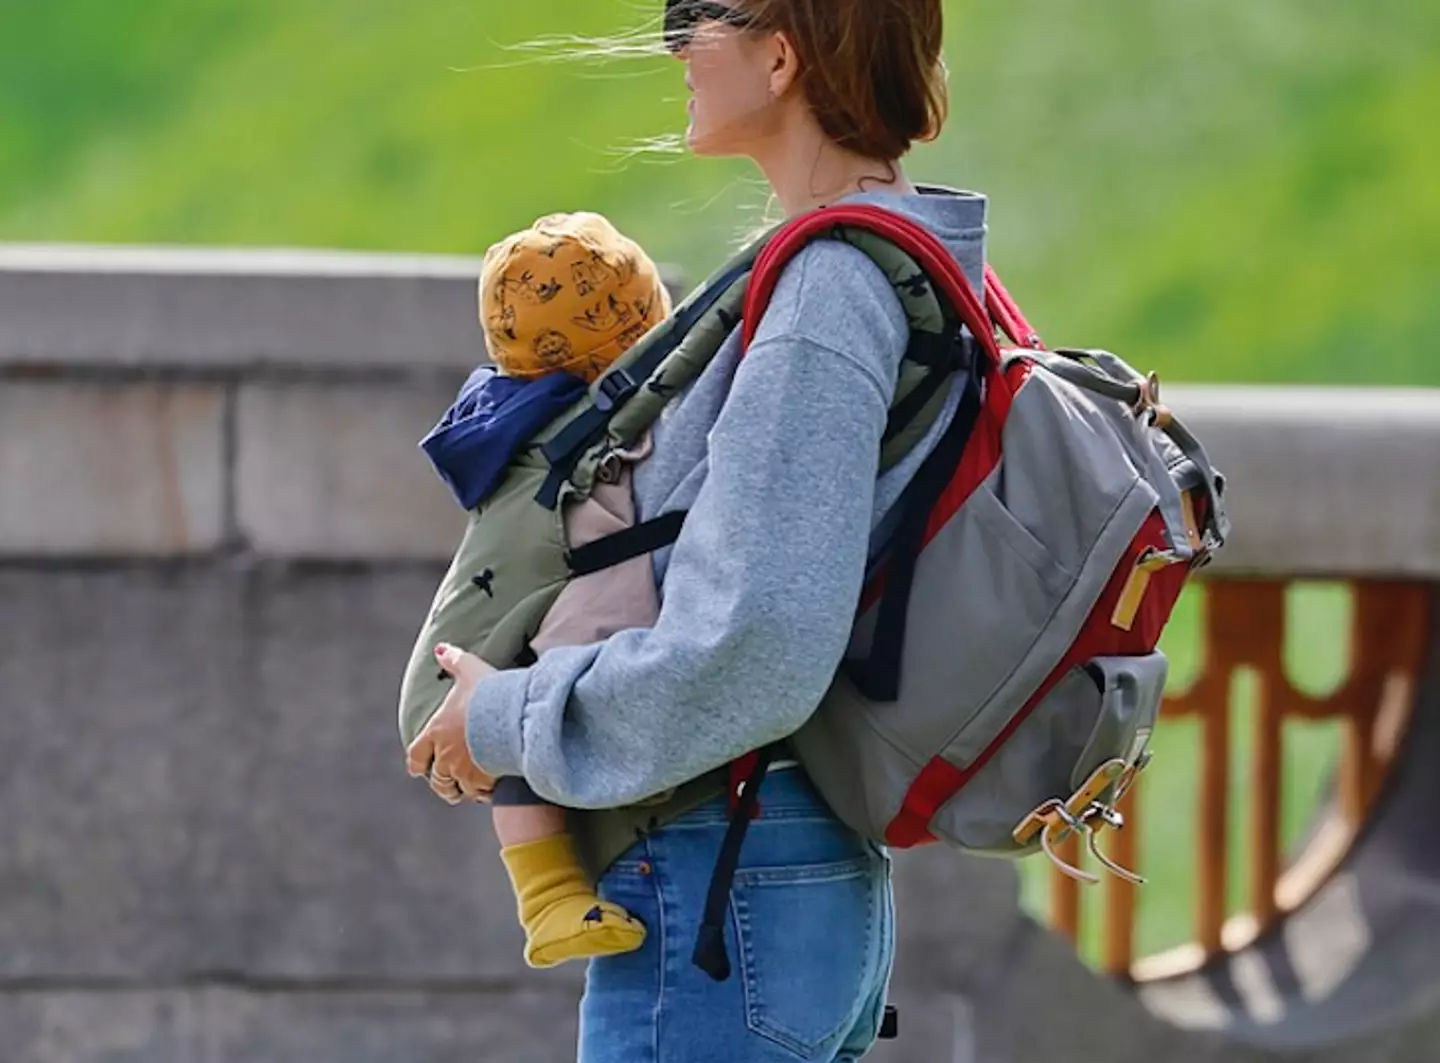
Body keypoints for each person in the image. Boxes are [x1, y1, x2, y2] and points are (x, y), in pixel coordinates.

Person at [410, 1, 986, 1058]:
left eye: (694, 15)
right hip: (771, 868)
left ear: (780, 54)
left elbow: (757, 642)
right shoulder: (894, 259)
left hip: (722, 872)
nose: (671, 44)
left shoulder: (827, 292)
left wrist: (505, 717)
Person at [415, 211, 672, 967]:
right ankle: (546, 895)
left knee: (524, 711)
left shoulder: (521, 424)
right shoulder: (576, 436)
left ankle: (553, 894)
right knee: (521, 716)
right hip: (573, 642)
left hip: (589, 643)